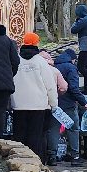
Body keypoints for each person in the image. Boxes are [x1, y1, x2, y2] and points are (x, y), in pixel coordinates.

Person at [10, 32, 57, 161]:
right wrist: (54, 104)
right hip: (38, 105)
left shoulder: (16, 60)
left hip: (18, 104)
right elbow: (50, 86)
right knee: (35, 137)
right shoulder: (41, 62)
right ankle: (36, 163)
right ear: (36, 43)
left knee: (19, 136)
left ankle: (19, 161)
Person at [53, 49, 85, 163]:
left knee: (54, 129)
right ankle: (75, 156)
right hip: (68, 104)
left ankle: (53, 155)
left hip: (54, 103)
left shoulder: (54, 66)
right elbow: (74, 88)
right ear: (73, 59)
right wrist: (84, 102)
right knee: (73, 128)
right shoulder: (71, 68)